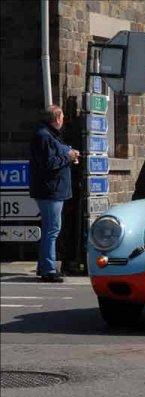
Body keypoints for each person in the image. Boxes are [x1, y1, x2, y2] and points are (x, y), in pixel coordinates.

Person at [29, 105, 80, 282]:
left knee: (50, 229)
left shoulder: (51, 135)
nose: (64, 120)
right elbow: (48, 163)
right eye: (63, 117)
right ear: (57, 118)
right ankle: (49, 270)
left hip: (54, 189)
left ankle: (44, 266)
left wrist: (70, 153)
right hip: (50, 190)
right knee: (52, 230)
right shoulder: (44, 136)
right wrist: (68, 157)